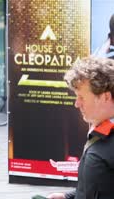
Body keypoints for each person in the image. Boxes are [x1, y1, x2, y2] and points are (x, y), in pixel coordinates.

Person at [47, 57, 114, 199]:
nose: (76, 104)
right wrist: (68, 196)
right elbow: (97, 187)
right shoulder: (101, 129)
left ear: (105, 97)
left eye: (81, 97)